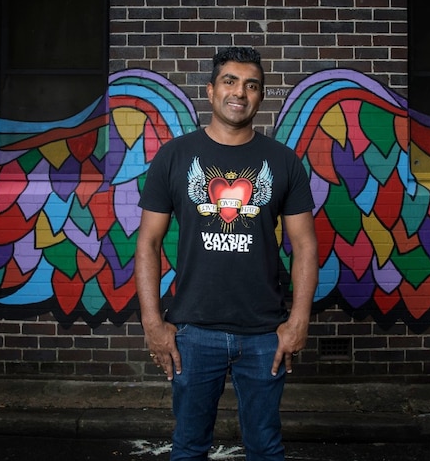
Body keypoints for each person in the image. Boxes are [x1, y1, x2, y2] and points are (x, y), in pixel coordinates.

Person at [134, 46, 319, 461]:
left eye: (252, 85)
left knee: (266, 448)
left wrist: (298, 320)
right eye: (230, 81)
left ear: (261, 96)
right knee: (188, 447)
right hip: (193, 331)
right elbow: (147, 241)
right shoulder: (175, 156)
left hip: (264, 333)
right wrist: (152, 323)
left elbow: (305, 244)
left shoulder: (282, 161)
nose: (240, 92)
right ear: (211, 90)